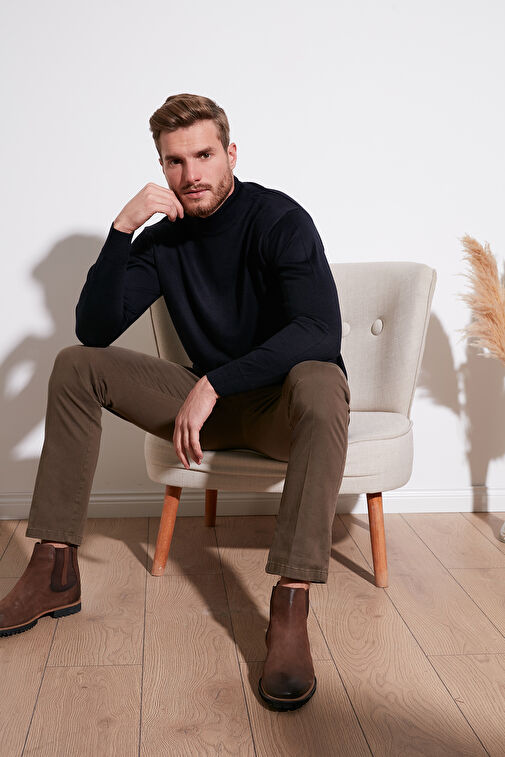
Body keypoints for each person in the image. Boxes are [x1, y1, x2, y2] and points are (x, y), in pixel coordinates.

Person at [0, 93, 350, 711]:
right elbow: (94, 330)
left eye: (204, 155)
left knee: (322, 380)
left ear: (231, 153)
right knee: (76, 365)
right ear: (161, 166)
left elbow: (320, 332)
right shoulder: (164, 242)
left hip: (279, 411)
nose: (191, 174)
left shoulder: (279, 219)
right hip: (202, 413)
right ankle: (54, 570)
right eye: (175, 161)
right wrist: (121, 230)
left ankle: (290, 606)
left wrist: (214, 384)